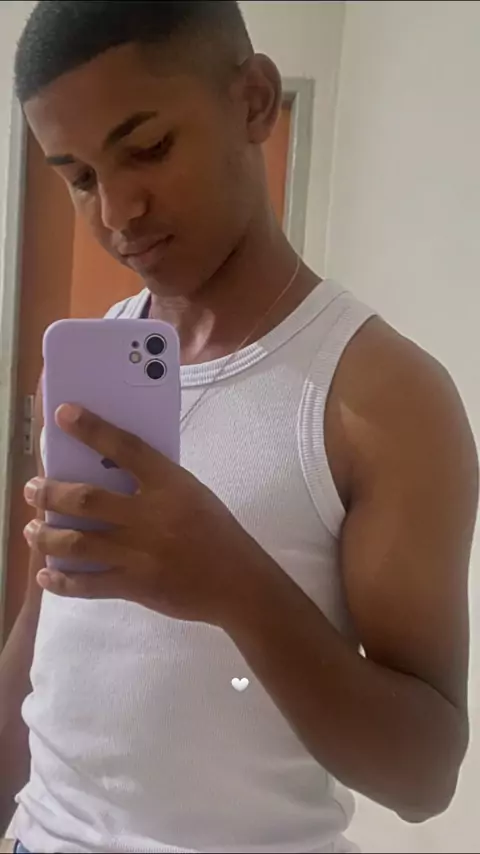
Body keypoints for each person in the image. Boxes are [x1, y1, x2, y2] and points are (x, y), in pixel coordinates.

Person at [1, 2, 478, 852]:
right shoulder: (88, 370)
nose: (117, 212)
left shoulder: (382, 400)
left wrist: (231, 581)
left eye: (148, 148)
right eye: (79, 177)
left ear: (254, 101)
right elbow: (43, 645)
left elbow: (422, 779)